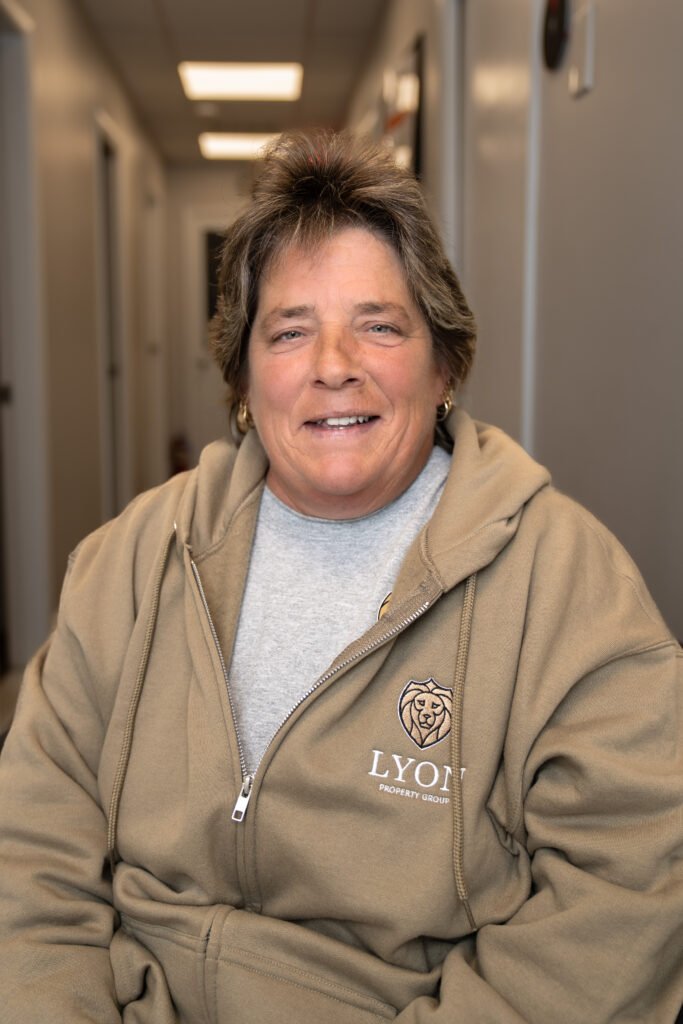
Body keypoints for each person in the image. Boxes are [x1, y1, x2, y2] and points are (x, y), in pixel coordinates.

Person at [0, 130, 681, 1024]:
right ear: (242, 376)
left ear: (444, 365)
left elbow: (626, 892)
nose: (333, 366)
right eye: (289, 331)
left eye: (378, 325)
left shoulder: (565, 581)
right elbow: (33, 843)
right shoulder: (133, 555)